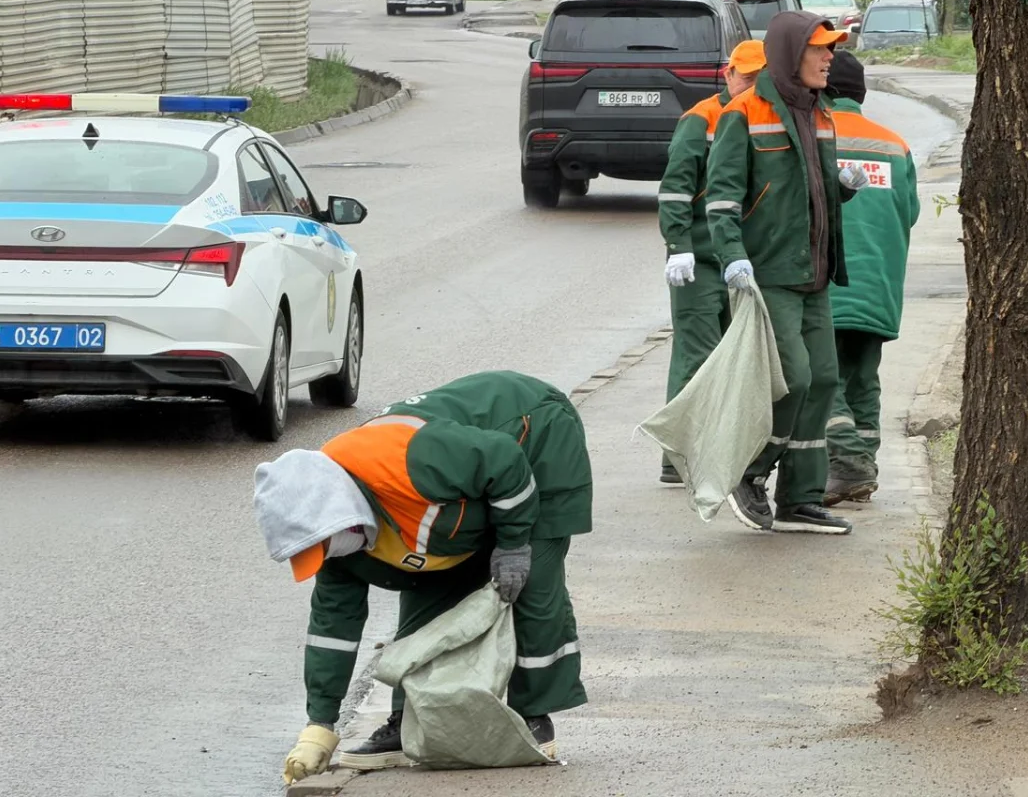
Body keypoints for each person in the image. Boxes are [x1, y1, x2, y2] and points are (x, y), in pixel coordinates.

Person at [254, 370, 592, 784]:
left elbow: (504, 459)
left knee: (532, 585)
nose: (325, 558)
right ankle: (406, 722)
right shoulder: (331, 526)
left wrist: (513, 543)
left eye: (321, 548)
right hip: (465, 493)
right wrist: (320, 725)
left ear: (340, 515)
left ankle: (534, 718)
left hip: (534, 435)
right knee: (426, 584)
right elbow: (332, 628)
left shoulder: (411, 460)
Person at [703, 10, 871, 534]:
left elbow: (811, 191)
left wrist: (843, 184)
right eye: (820, 49)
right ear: (790, 54)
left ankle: (799, 498)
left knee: (822, 379)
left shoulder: (820, 113)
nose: (830, 58)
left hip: (815, 275)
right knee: (792, 379)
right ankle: (749, 474)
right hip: (768, 274)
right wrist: (732, 259)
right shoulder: (744, 113)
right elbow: (722, 202)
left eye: (831, 49)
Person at [657, 39, 768, 484]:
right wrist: (677, 243)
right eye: (746, 77)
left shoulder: (762, 116)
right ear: (728, 73)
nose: (751, 85)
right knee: (697, 355)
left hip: (740, 258)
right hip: (700, 259)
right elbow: (676, 188)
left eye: (761, 78)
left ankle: (718, 449)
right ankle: (678, 457)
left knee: (733, 359)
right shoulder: (701, 118)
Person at [821, 51, 920, 506]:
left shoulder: (816, 135)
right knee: (863, 378)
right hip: (880, 283)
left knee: (823, 379)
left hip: (826, 284)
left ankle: (849, 464)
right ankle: (864, 469)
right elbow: (910, 212)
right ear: (861, 95)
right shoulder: (896, 145)